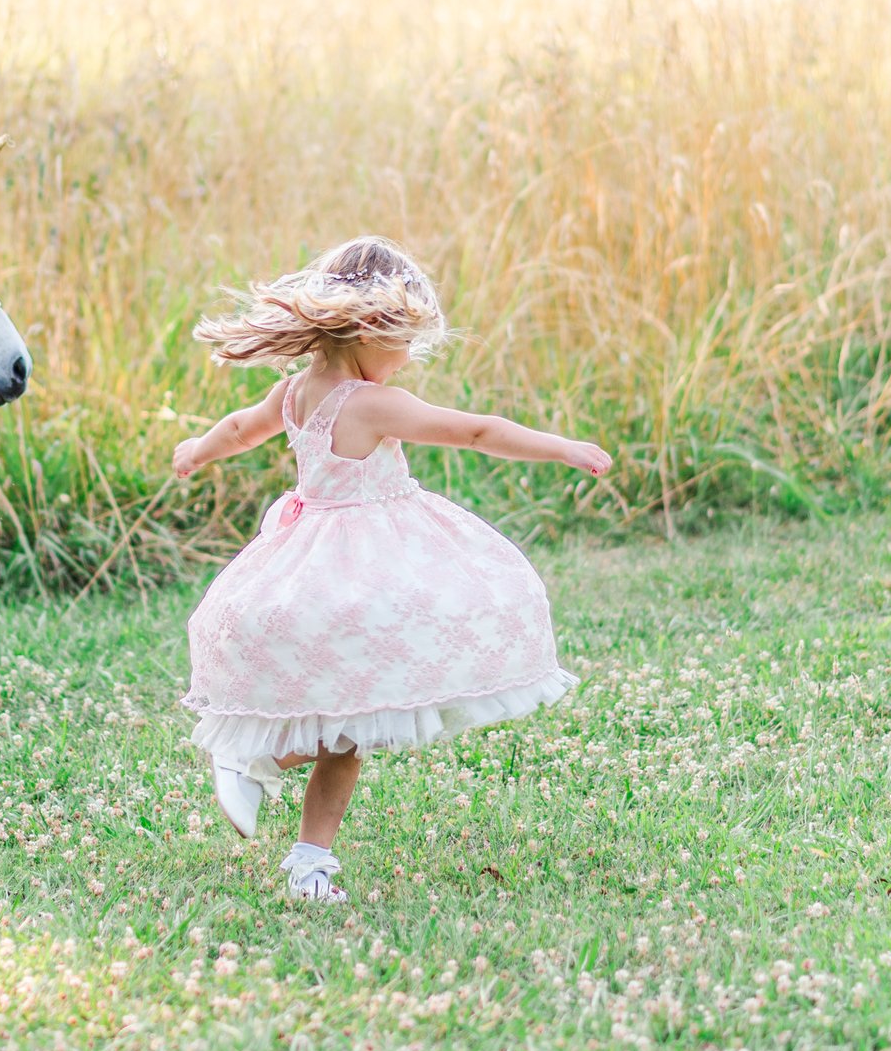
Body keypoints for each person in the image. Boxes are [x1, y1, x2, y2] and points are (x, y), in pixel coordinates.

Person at [171, 237, 612, 902]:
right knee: (350, 722)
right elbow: (477, 431)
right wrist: (564, 448)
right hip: (357, 563)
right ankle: (280, 811)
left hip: (311, 557)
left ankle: (288, 822)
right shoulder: (371, 404)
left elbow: (238, 427)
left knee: (345, 723)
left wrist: (194, 451)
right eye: (403, 341)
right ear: (369, 329)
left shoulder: (293, 393)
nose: (406, 358)